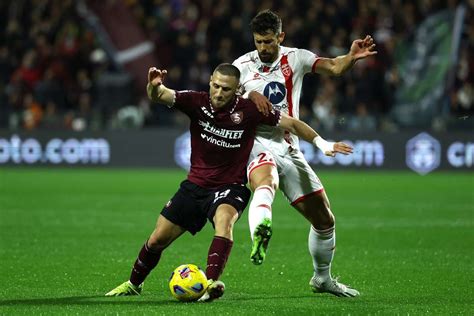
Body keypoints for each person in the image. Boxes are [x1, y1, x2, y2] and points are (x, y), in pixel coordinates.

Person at [105, 63, 353, 301]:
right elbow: (159, 95)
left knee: (224, 224)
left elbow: (292, 123)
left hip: (229, 188)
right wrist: (154, 85)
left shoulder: (249, 110)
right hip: (195, 186)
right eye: (215, 86)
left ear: (237, 90)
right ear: (210, 82)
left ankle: (211, 283)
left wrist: (323, 144)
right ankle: (133, 284)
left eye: (225, 89)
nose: (218, 92)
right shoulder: (196, 101)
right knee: (157, 239)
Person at [232, 10, 377, 297]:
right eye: (259, 42)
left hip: (289, 146)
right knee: (265, 181)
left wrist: (350, 57)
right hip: (255, 144)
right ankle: (260, 231)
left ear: (280, 37)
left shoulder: (296, 58)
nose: (263, 48)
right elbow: (223, 102)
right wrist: (247, 96)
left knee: (325, 221)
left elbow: (334, 67)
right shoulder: (241, 67)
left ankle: (322, 279)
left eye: (269, 42)